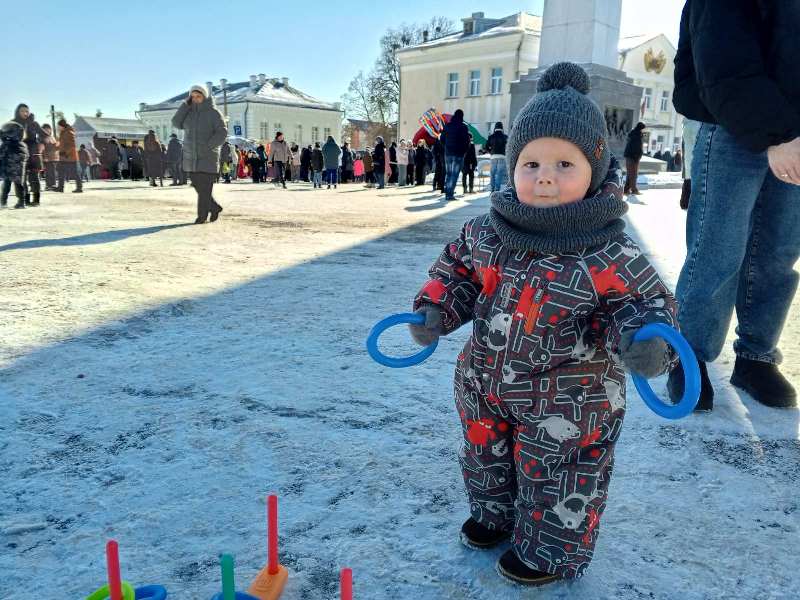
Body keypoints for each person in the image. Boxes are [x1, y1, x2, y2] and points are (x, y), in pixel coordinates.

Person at [406, 62, 677, 586]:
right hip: (485, 381)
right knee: (484, 451)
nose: (544, 176)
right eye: (530, 163)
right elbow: (456, 273)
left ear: (595, 170)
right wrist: (435, 309)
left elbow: (642, 304)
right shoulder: (487, 232)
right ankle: (495, 514)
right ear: (512, 166)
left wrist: (645, 342)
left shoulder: (609, 250)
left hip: (570, 399)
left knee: (559, 469)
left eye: (564, 164)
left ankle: (549, 549)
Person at [668, 0, 800, 410]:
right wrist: (777, 134)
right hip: (731, 124)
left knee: (778, 252)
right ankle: (687, 356)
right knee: (717, 249)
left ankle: (756, 357)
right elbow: (722, 53)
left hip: (797, 133)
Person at [171, 84, 227, 224]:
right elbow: (176, 123)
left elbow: (222, 132)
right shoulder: (188, 112)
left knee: (205, 189)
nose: (195, 99)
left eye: (198, 96)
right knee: (198, 186)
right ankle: (214, 207)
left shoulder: (213, 113)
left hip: (208, 156)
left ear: (204, 97)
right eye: (193, 97)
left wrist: (208, 146)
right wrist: (185, 105)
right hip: (191, 157)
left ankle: (202, 216)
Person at [13, 104, 45, 206]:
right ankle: (23, 200)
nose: (25, 113)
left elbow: (44, 135)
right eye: (22, 111)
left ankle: (36, 200)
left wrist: (41, 143)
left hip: (33, 154)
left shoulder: (33, 123)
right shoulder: (14, 123)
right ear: (18, 112)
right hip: (19, 153)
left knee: (34, 177)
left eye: (27, 111)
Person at [441, 109, 470, 201]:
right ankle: (450, 193)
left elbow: (442, 139)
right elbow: (467, 141)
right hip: (458, 154)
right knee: (454, 174)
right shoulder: (463, 127)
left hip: (448, 153)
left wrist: (446, 147)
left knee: (449, 173)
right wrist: (464, 151)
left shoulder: (447, 126)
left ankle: (447, 193)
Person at [0, 121, 29, 208]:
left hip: (8, 169)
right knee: (19, 185)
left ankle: (3, 202)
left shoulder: (6, 144)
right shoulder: (23, 145)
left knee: (6, 186)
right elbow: (26, 156)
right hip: (18, 171)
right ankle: (21, 202)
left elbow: (1, 155)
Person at [56, 119, 82, 193]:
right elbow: (62, 144)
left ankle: (79, 188)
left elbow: (72, 145)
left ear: (62, 126)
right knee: (61, 171)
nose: (58, 128)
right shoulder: (62, 133)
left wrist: (65, 153)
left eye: (58, 126)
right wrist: (57, 148)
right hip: (63, 157)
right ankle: (60, 188)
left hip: (70, 157)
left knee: (75, 173)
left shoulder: (69, 132)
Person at [623, 122, 645, 195]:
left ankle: (626, 190)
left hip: (630, 156)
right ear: (641, 129)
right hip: (633, 157)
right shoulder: (637, 135)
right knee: (633, 174)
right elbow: (637, 148)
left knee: (630, 174)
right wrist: (637, 157)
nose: (643, 131)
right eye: (643, 129)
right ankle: (634, 190)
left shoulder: (633, 134)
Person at [486, 121, 508, 191]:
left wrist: (491, 152)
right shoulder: (505, 137)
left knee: (492, 173)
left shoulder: (491, 136)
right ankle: (497, 189)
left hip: (493, 156)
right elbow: (508, 147)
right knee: (499, 173)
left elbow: (486, 147)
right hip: (502, 156)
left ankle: (492, 188)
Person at [42, 124, 58, 190]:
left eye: (48, 129)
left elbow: (55, 147)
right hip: (47, 158)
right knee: (48, 172)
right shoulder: (42, 138)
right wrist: (45, 157)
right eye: (45, 129)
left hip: (54, 157)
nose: (47, 131)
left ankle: (53, 184)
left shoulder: (52, 137)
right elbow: (43, 148)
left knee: (53, 171)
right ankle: (48, 185)